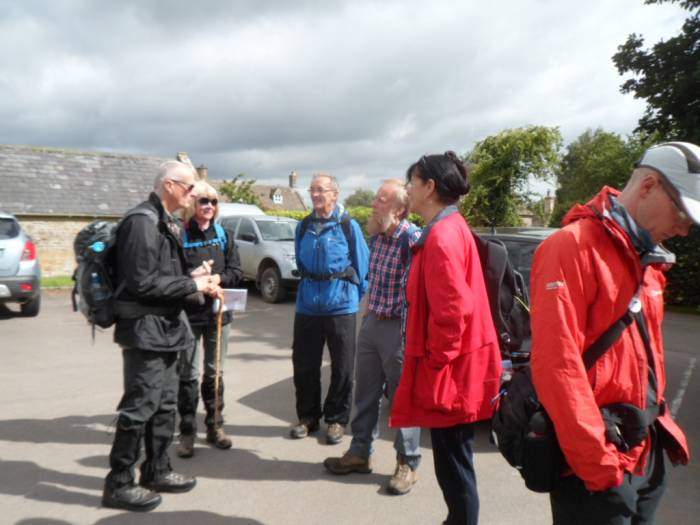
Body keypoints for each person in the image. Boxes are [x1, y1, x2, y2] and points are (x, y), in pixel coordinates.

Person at [530, 142, 697, 524]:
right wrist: (600, 469)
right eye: (682, 212)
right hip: (597, 470)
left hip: (645, 455)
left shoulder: (649, 261)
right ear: (649, 185)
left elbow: (648, 357)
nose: (685, 230)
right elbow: (558, 367)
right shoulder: (570, 248)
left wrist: (659, 435)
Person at [390, 152, 502, 525]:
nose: (408, 188)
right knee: (456, 461)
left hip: (450, 373)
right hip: (455, 368)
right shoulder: (450, 228)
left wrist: (437, 363)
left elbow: (453, 310)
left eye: (412, 181)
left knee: (454, 465)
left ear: (430, 187)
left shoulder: (442, 236)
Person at [102, 161, 221, 512]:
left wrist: (195, 274)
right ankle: (119, 483)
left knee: (166, 404)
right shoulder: (142, 222)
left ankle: (156, 470)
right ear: (169, 185)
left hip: (169, 329)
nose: (194, 195)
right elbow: (141, 283)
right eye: (189, 189)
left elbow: (166, 275)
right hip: (144, 331)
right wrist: (193, 283)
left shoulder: (167, 221)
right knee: (139, 408)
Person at [324, 179, 422, 495]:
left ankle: (407, 464)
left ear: (400, 209)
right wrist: (367, 315)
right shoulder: (377, 236)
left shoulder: (412, 239)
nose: (374, 204)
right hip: (372, 323)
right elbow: (373, 280)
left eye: (381, 199)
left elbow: (419, 293)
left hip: (398, 329)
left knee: (402, 399)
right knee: (365, 393)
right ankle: (359, 453)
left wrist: (408, 334)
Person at [290, 173, 370, 444]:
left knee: (343, 366)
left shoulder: (348, 226)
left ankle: (336, 420)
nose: (315, 195)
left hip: (341, 306)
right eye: (312, 190)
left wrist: (351, 299)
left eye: (321, 190)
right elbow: (300, 262)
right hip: (308, 306)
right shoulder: (303, 227)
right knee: (304, 365)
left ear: (335, 194)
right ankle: (308, 417)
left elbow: (363, 268)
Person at [176, 181, 243, 458]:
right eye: (204, 201)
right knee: (189, 374)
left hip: (218, 314)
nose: (209, 207)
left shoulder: (224, 235)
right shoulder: (180, 235)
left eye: (213, 202)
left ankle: (215, 426)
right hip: (189, 315)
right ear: (193, 204)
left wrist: (218, 278)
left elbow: (236, 271)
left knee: (215, 373)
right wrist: (197, 279)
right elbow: (174, 275)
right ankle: (188, 431)